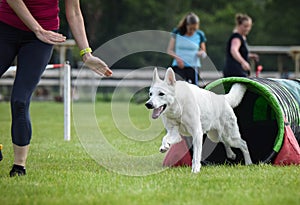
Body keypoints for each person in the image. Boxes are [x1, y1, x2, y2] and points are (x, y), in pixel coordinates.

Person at [0, 0, 113, 177]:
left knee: (20, 101)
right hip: (5, 26)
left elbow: (74, 12)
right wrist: (37, 29)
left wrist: (86, 54)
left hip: (42, 38)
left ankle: (18, 167)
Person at [167, 12, 207, 85]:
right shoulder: (177, 32)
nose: (192, 31)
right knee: (178, 86)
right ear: (186, 25)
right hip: (179, 66)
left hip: (193, 67)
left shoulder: (200, 34)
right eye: (190, 28)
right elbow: (169, 50)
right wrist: (178, 59)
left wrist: (200, 53)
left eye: (194, 29)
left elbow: (203, 51)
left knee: (193, 88)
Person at [223, 13, 258, 77]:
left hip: (238, 71)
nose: (247, 29)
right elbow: (234, 50)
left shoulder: (242, 37)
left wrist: (250, 55)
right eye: (245, 26)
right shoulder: (236, 37)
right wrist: (243, 62)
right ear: (239, 25)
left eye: (249, 26)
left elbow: (240, 53)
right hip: (235, 72)